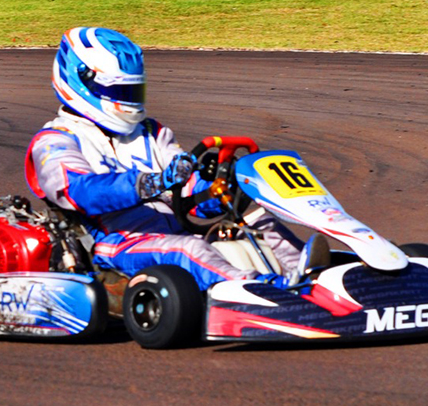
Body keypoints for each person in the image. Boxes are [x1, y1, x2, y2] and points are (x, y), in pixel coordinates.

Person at [24, 27, 326, 292]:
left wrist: (221, 186)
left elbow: (189, 188)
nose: (129, 99)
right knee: (189, 250)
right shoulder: (54, 141)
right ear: (84, 83)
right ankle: (258, 291)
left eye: (133, 90)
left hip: (173, 226)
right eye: (120, 90)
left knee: (257, 220)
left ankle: (314, 280)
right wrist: (150, 183)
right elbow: (82, 193)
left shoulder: (151, 133)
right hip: (114, 242)